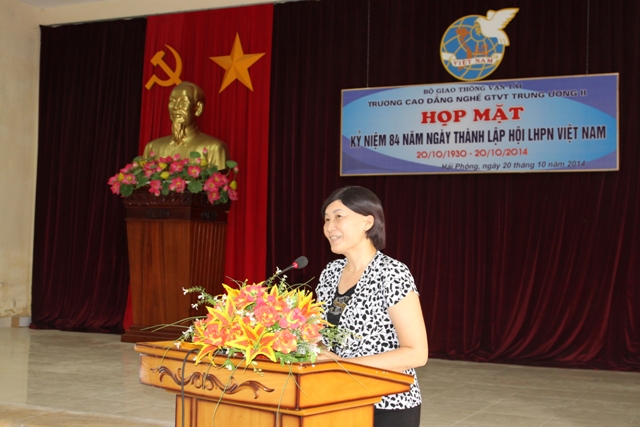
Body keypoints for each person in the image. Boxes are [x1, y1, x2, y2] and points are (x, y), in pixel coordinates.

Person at [316, 186, 428, 427]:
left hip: (386, 403)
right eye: (326, 219)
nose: (329, 227)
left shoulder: (392, 273)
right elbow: (320, 334)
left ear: (367, 222)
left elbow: (417, 353)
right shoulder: (330, 273)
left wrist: (342, 365)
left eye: (338, 216)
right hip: (337, 399)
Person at [142, 81, 229, 170]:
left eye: (183, 101)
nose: (175, 107)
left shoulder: (215, 148)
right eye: (172, 101)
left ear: (198, 109)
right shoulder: (152, 147)